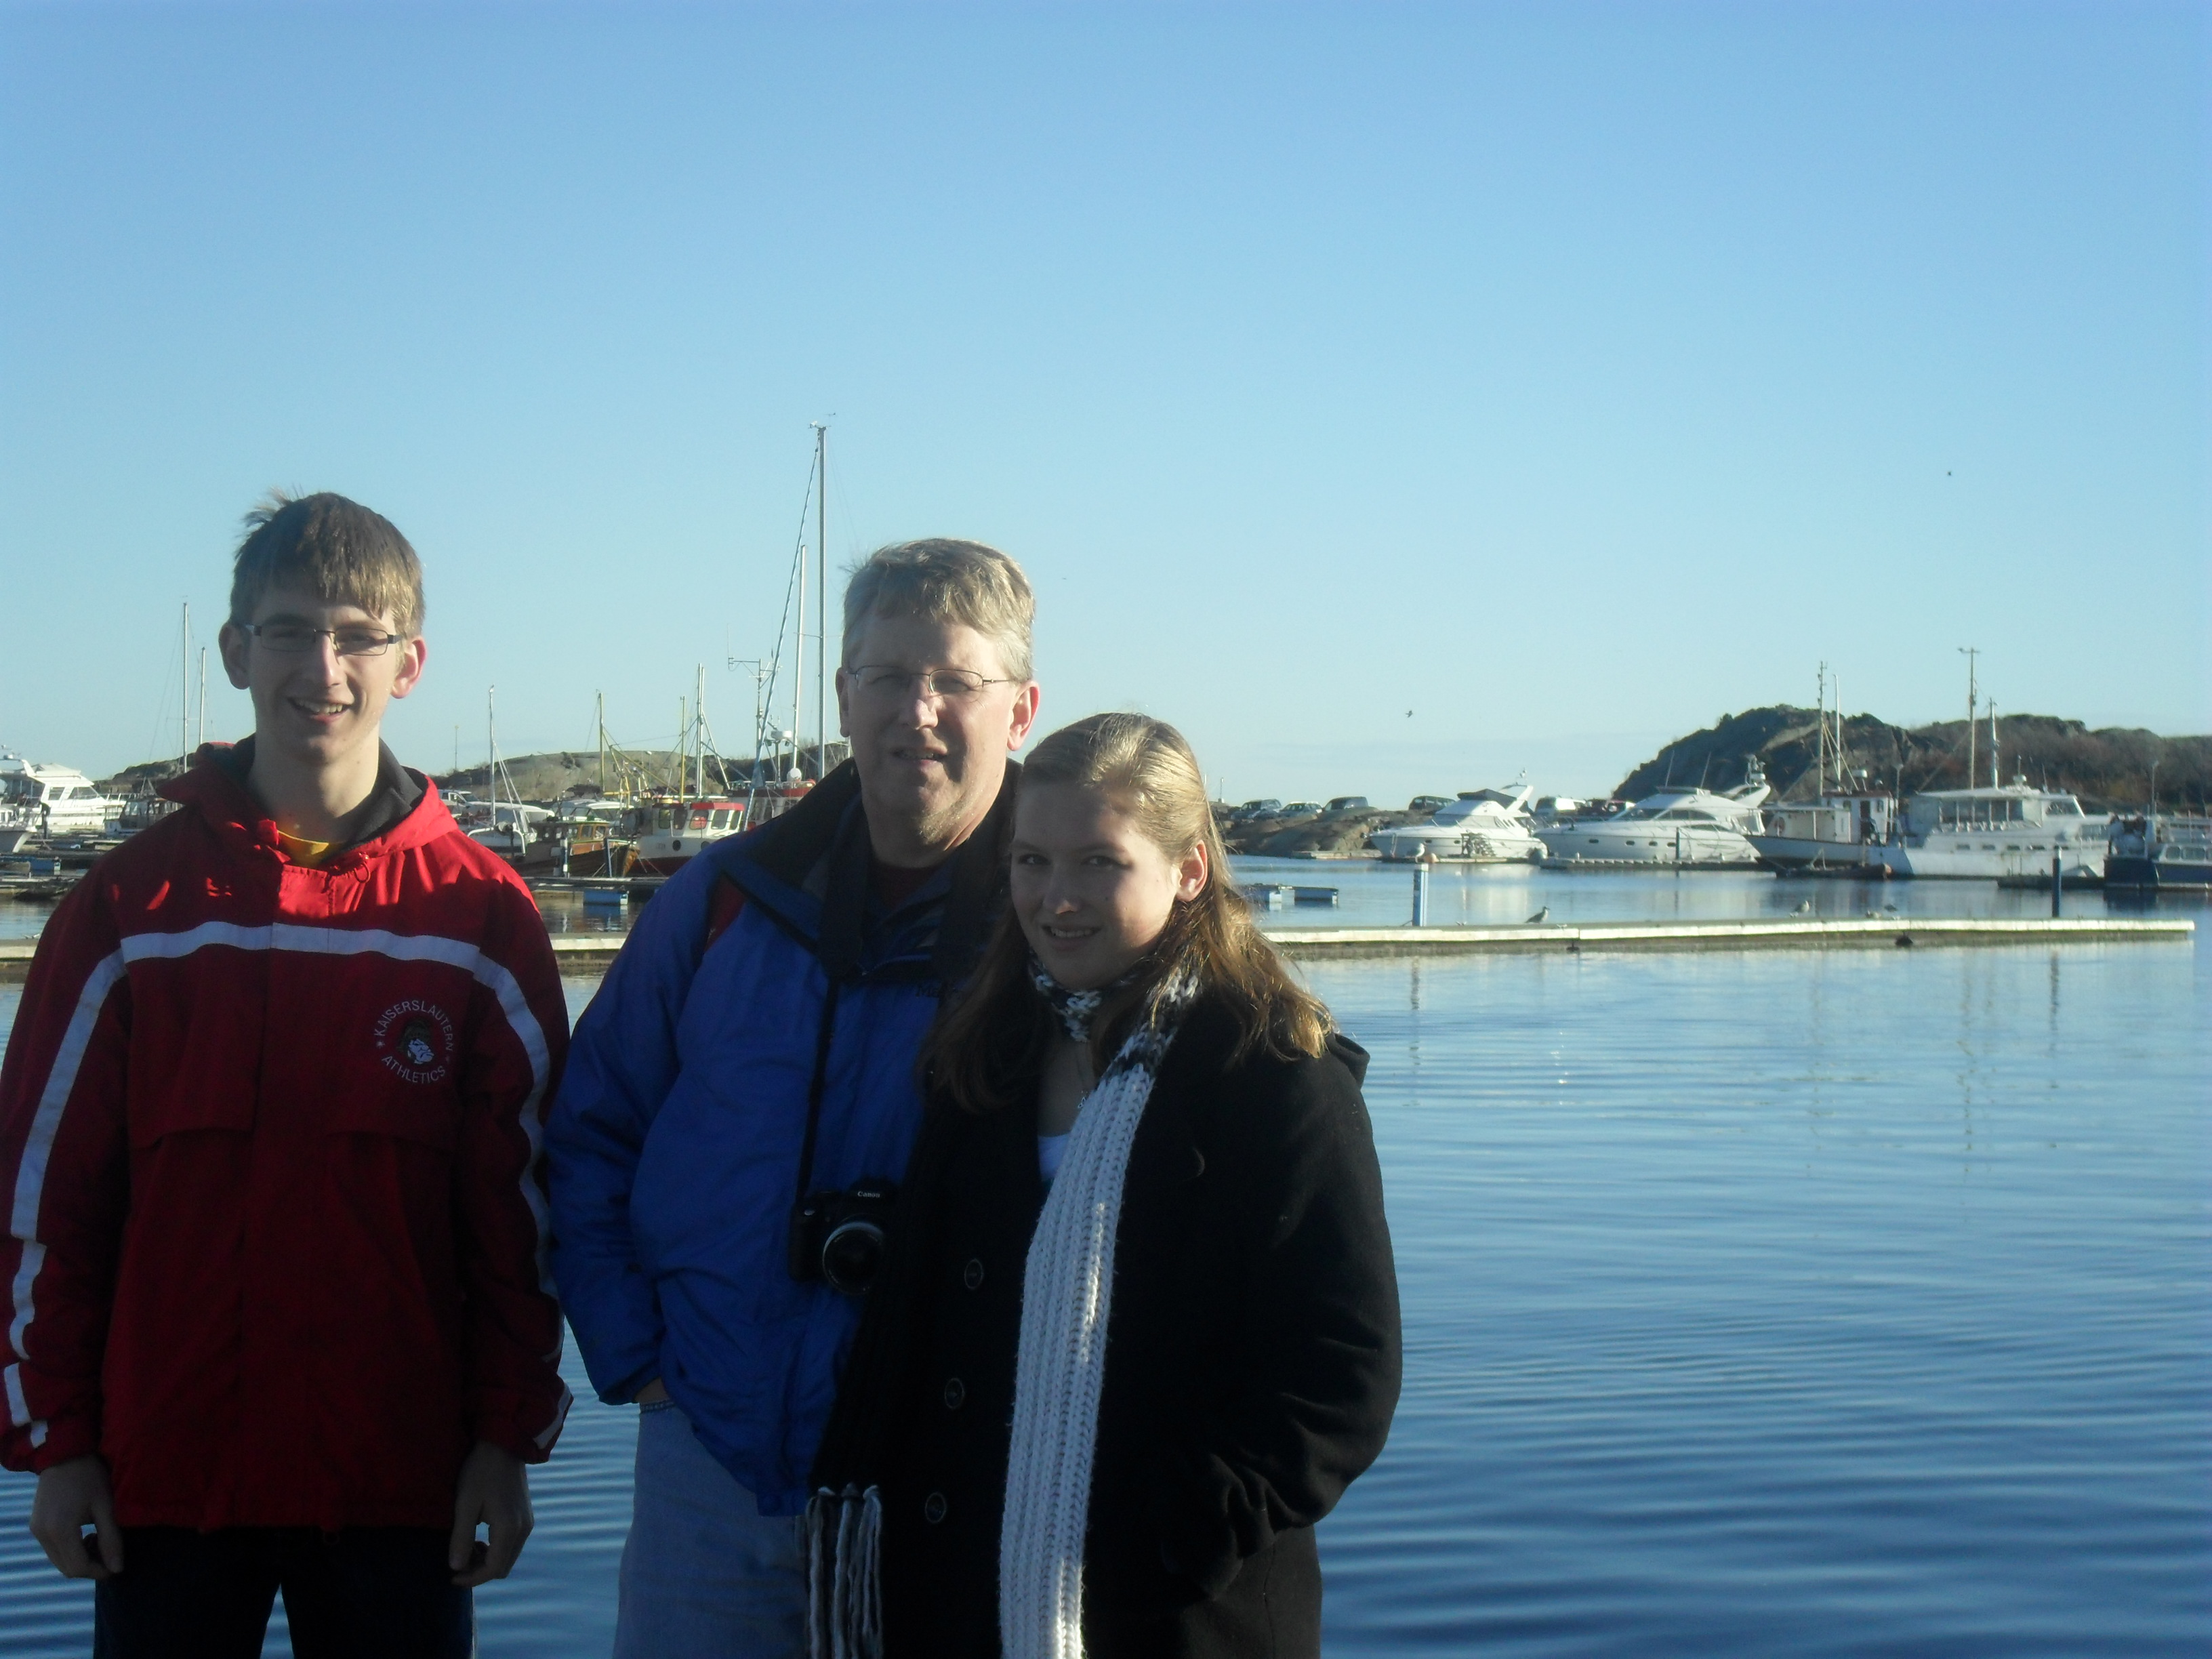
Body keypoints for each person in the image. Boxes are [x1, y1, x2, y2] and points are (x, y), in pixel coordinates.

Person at [0, 492, 571, 1656]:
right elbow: (44, 1198)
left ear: (410, 664)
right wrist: (57, 1443)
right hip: (164, 1477)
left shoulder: (480, 917)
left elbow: (524, 1216)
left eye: (359, 636)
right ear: (234, 651)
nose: (324, 668)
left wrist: (505, 1441)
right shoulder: (129, 908)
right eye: (290, 631)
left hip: (401, 1484)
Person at [810, 712, 1401, 1658]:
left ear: (1189, 870)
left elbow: (1340, 1375)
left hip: (1172, 1614)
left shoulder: (1274, 1078)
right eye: (1032, 861)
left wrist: (1172, 1533)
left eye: (1099, 863)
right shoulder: (986, 1056)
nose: (1058, 899)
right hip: (960, 1598)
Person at [546, 537, 1043, 1655]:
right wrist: (638, 1359)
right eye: (888, 676)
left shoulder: (1053, 927)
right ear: (844, 694)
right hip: (710, 1462)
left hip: (957, 1481)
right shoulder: (721, 901)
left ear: (1021, 710)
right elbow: (589, 1134)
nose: (917, 711)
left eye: (956, 681)